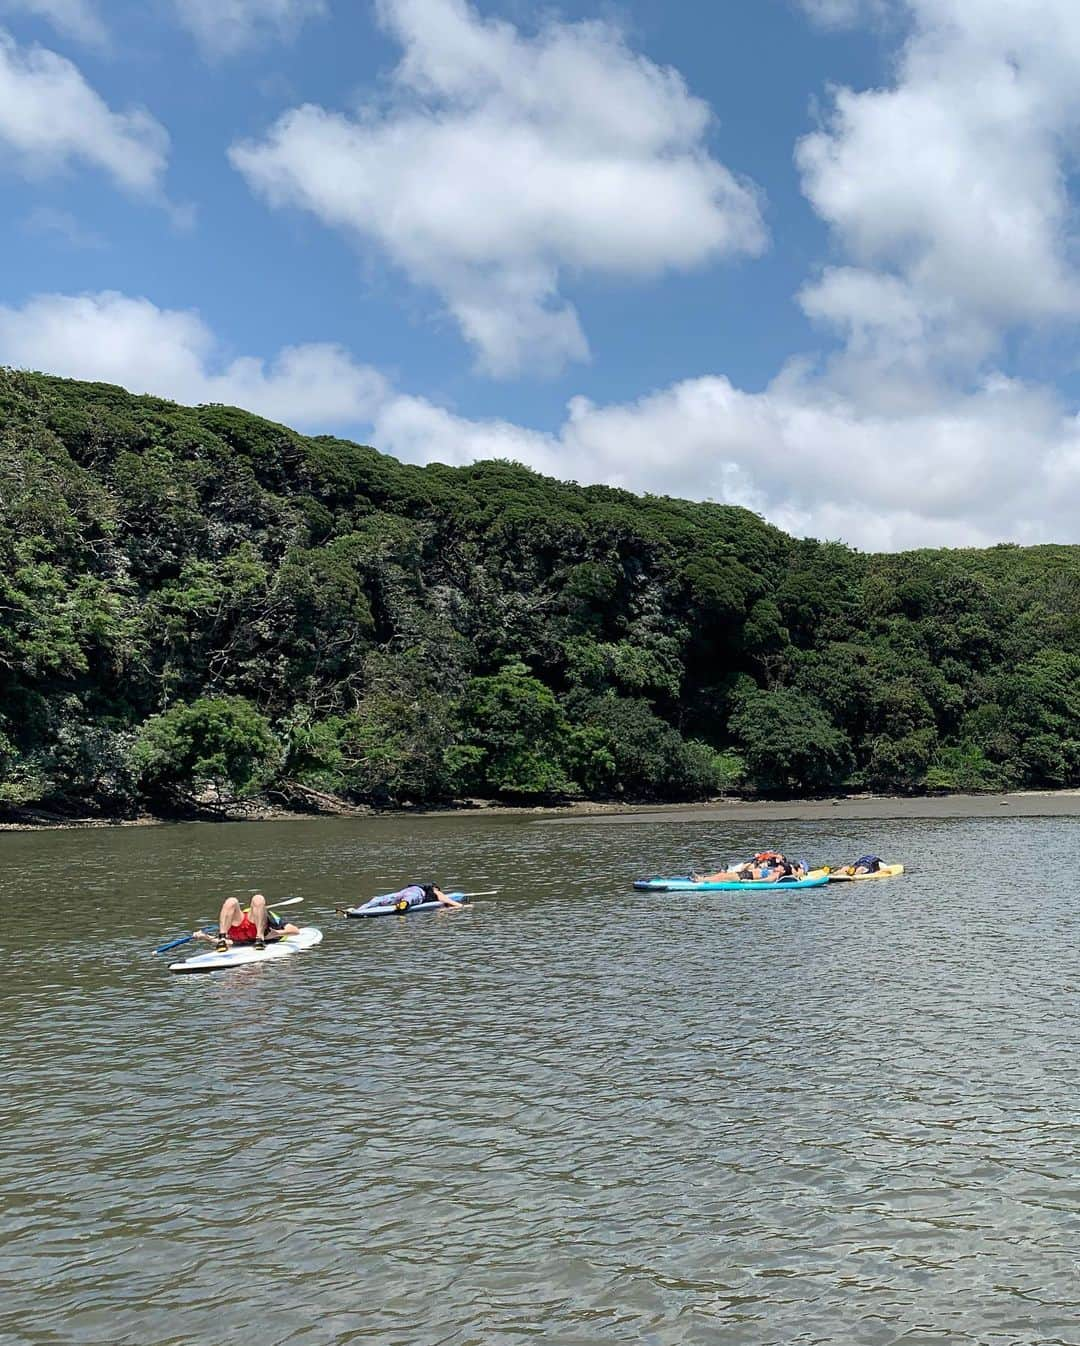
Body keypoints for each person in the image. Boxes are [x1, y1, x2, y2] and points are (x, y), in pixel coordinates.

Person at [193, 893, 300, 952]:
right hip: (241, 932)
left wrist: (277, 933)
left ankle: (260, 937)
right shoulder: (261, 915)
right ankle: (222, 938)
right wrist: (205, 937)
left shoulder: (271, 917)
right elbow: (232, 943)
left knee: (258, 898)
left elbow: (295, 931)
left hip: (261, 932)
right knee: (231, 901)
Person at [378, 883, 464, 912]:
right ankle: (404, 904)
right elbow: (444, 899)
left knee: (384, 899)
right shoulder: (434, 889)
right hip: (416, 893)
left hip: (404, 891)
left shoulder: (422, 886)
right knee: (411, 898)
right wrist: (460, 906)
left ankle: (365, 906)